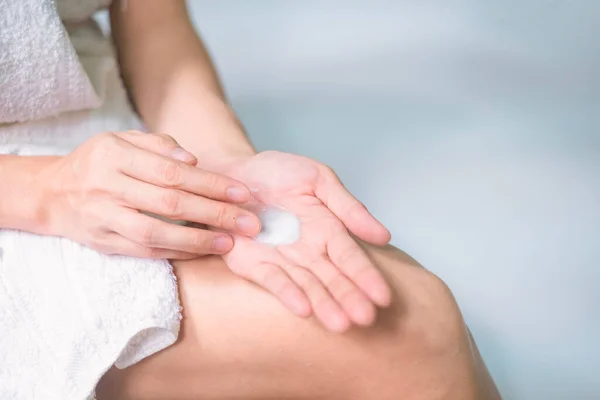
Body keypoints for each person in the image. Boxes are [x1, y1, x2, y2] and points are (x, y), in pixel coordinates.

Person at [0, 0, 501, 398]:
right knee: (411, 336)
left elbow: (153, 20)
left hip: (114, 142)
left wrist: (222, 161)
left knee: (416, 312)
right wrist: (49, 190)